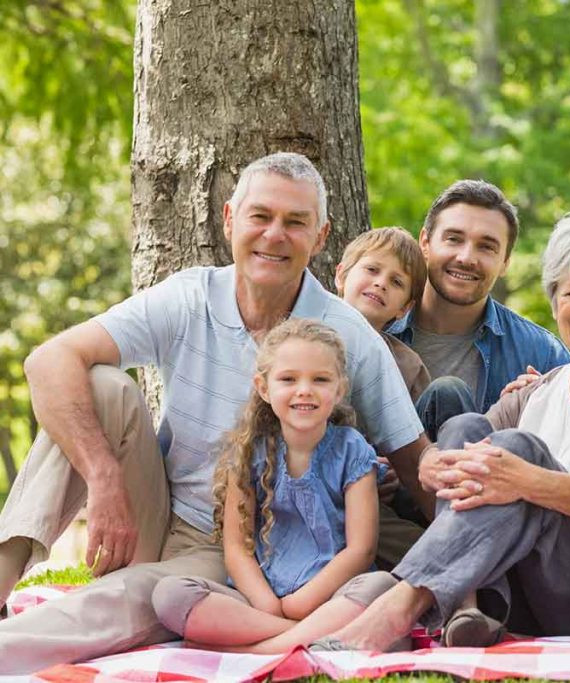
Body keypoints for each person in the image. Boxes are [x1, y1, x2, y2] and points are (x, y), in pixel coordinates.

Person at [0, 153, 432, 674]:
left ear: (320, 238)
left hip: (238, 548)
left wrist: (463, 560)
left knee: (135, 597)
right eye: (260, 216)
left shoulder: (349, 334)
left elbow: (414, 459)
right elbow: (47, 360)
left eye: (295, 223)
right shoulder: (189, 296)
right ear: (230, 219)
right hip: (157, 509)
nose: (274, 235)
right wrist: (105, 480)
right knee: (92, 384)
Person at [218, 209, 570, 653]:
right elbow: (458, 453)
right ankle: (463, 604)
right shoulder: (540, 390)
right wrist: (416, 468)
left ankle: (404, 604)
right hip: (517, 591)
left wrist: (527, 480)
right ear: (555, 302)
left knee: (515, 447)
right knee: (465, 426)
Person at [151, 319, 379, 647]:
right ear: (263, 387)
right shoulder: (248, 452)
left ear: (339, 388)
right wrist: (270, 605)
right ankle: (301, 640)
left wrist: (301, 603)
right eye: (288, 379)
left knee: (380, 587)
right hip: (262, 600)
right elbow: (237, 548)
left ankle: (259, 649)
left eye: (320, 379)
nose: (304, 390)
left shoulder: (352, 449)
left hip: (333, 596)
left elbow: (361, 549)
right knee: (172, 596)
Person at [389, 179, 570, 439]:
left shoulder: (542, 355)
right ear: (425, 243)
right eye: (454, 239)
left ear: (505, 262)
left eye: (486, 247)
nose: (466, 258)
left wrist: (540, 412)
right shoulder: (373, 328)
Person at [334, 227, 430, 402]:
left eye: (396, 282)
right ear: (341, 276)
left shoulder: (408, 366)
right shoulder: (302, 334)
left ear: (405, 308)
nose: (381, 283)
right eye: (372, 269)